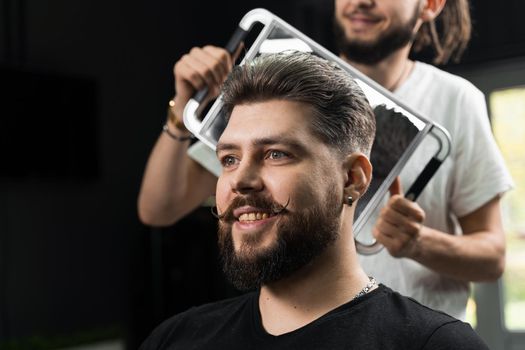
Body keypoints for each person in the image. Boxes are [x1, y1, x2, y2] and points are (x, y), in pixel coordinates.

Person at [138, 0, 513, 319]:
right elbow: (159, 209)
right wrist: (181, 109)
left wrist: (418, 243)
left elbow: (493, 256)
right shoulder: (283, 94)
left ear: (430, 4)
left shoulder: (456, 101)